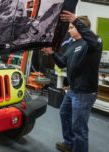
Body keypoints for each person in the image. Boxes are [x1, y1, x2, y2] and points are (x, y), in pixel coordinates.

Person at [42, 10, 102, 152]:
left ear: (80, 27)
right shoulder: (72, 45)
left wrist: (75, 20)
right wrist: (52, 54)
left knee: (79, 126)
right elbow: (62, 63)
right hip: (73, 90)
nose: (69, 31)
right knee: (64, 113)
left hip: (85, 93)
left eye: (71, 27)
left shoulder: (93, 42)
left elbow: (92, 40)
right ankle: (69, 144)